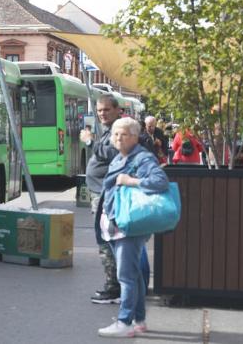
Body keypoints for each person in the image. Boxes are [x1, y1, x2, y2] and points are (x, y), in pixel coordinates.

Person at [97, 117, 170, 338]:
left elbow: (160, 181)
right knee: (135, 274)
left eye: (124, 134)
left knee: (126, 275)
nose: (118, 137)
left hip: (128, 225)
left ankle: (124, 322)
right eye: (115, 134)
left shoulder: (142, 157)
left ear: (136, 137)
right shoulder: (123, 156)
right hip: (120, 223)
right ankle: (139, 319)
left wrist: (131, 181)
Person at [80, 94, 121, 304]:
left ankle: (113, 287)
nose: (102, 114)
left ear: (116, 110)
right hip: (101, 192)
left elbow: (114, 153)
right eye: (99, 111)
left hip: (106, 194)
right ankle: (115, 284)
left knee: (106, 239)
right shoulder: (109, 130)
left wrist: (90, 142)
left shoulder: (118, 130)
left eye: (106, 110)